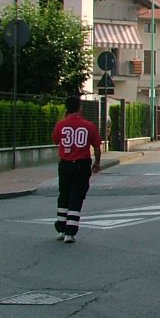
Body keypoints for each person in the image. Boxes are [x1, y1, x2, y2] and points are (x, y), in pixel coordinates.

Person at [52, 95, 102, 242]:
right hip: (81, 165)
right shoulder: (88, 125)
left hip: (65, 165)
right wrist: (97, 163)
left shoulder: (60, 125)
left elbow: (56, 140)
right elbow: (97, 147)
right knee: (76, 196)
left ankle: (60, 229)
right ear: (80, 107)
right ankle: (70, 232)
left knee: (64, 195)